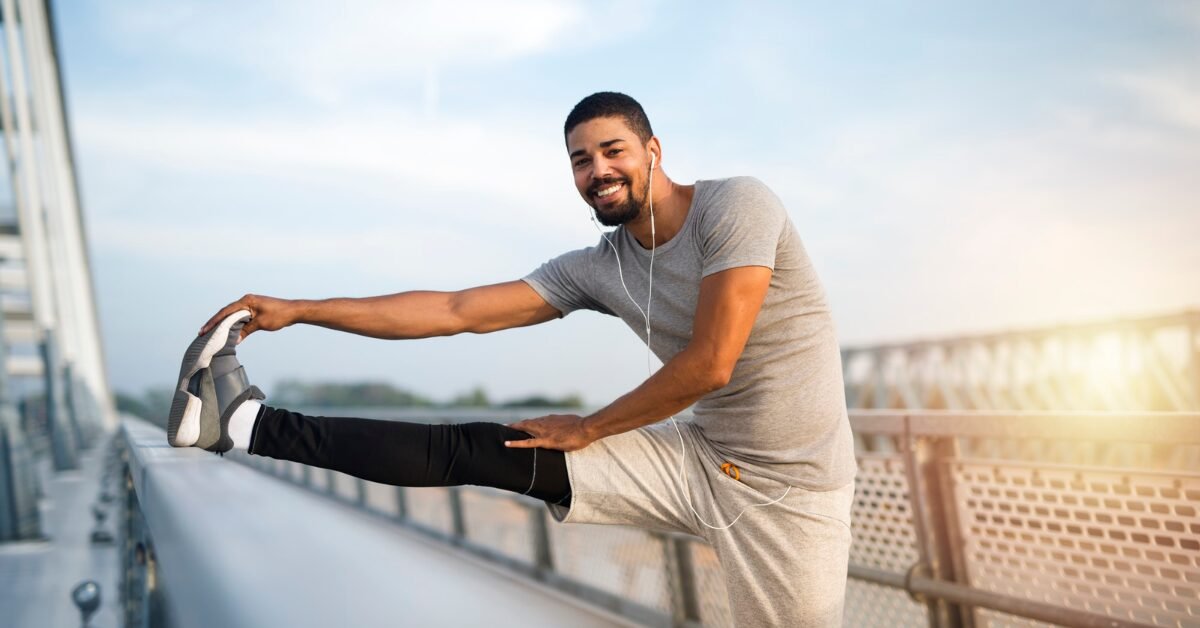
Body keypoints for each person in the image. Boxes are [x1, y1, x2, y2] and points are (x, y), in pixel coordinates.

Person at [176, 92, 857, 626]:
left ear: (652, 150)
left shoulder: (736, 206)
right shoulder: (600, 267)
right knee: (486, 447)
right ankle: (245, 427)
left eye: (612, 151)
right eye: (580, 161)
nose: (598, 172)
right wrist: (300, 309)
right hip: (700, 457)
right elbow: (455, 311)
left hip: (792, 493)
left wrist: (589, 427)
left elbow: (711, 363)